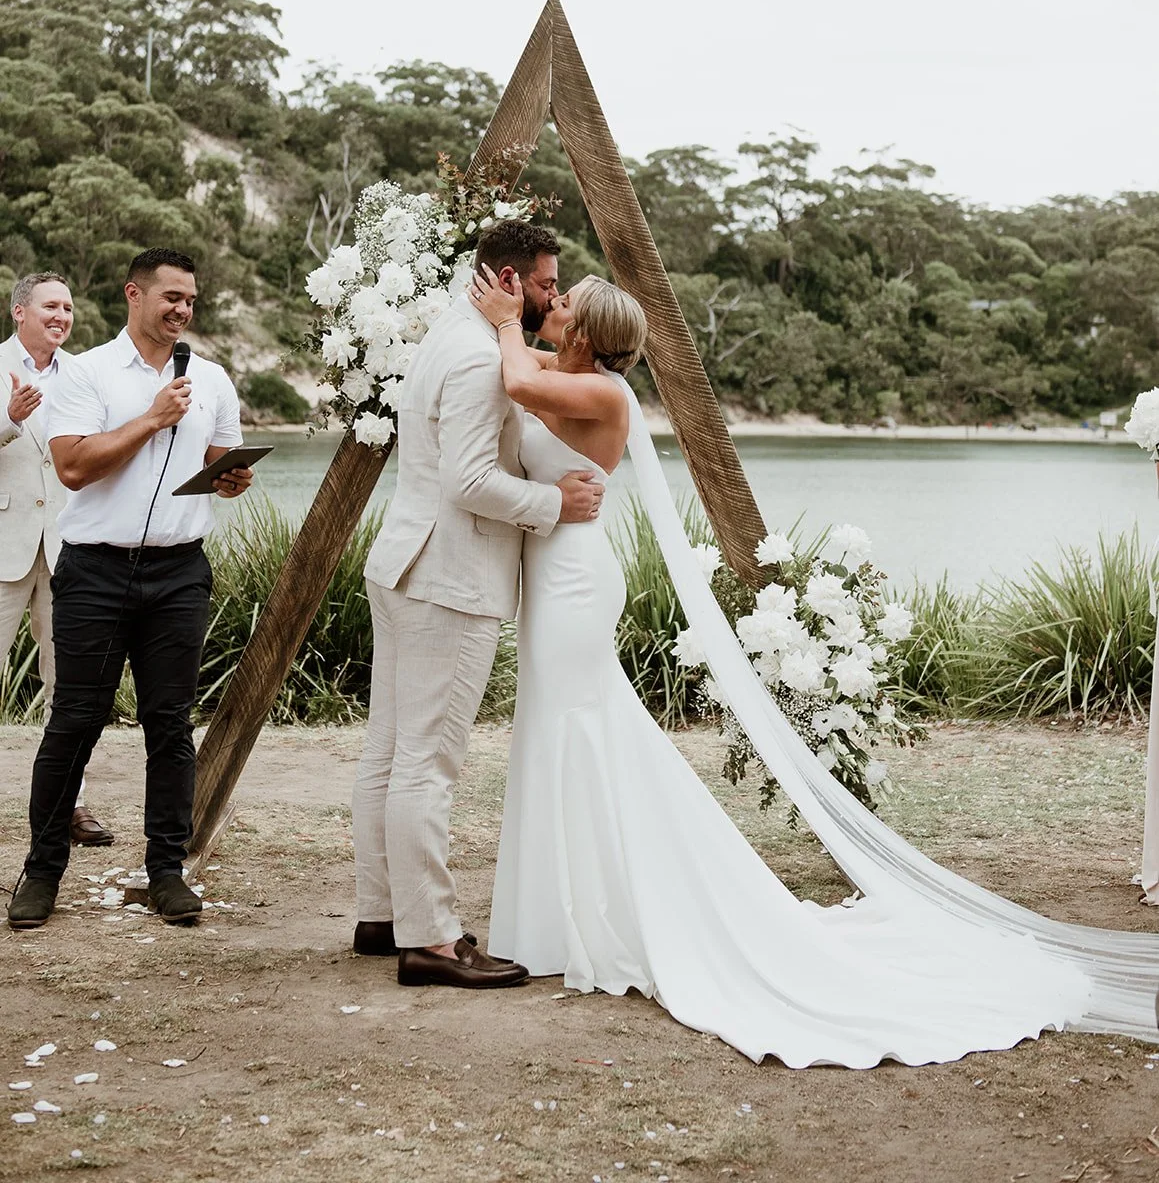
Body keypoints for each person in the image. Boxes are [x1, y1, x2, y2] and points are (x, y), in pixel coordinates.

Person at [469, 268, 1154, 1066]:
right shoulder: (573, 374)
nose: (551, 309)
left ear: (585, 335)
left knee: (579, 730)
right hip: (555, 576)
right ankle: (562, 913)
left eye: (565, 307)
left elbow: (514, 374)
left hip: (577, 581)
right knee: (558, 730)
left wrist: (503, 318)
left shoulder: (606, 396)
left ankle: (601, 912)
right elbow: (512, 378)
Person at [351, 221, 605, 988]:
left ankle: (381, 912)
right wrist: (552, 503)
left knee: (390, 753)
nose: (551, 295)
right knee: (426, 763)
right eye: (544, 284)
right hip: (447, 580)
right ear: (505, 279)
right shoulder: (475, 357)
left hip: (406, 562)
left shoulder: (452, 333)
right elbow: (469, 481)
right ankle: (428, 940)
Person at [6, 249, 254, 931]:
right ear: (133, 295)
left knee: (170, 726)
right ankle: (43, 871)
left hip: (179, 571)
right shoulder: (84, 373)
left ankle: (166, 871)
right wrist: (150, 418)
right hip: (93, 570)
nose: (182, 309)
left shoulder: (210, 378)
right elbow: (75, 467)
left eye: (190, 300)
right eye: (170, 296)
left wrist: (231, 477)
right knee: (74, 724)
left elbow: (216, 461)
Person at [1, 274, 115, 847]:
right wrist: (9, 420)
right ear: (19, 311)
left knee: (67, 686)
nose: (62, 315)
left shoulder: (85, 373)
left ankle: (69, 805)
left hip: (70, 546)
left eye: (68, 307)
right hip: (3, 545)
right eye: (51, 305)